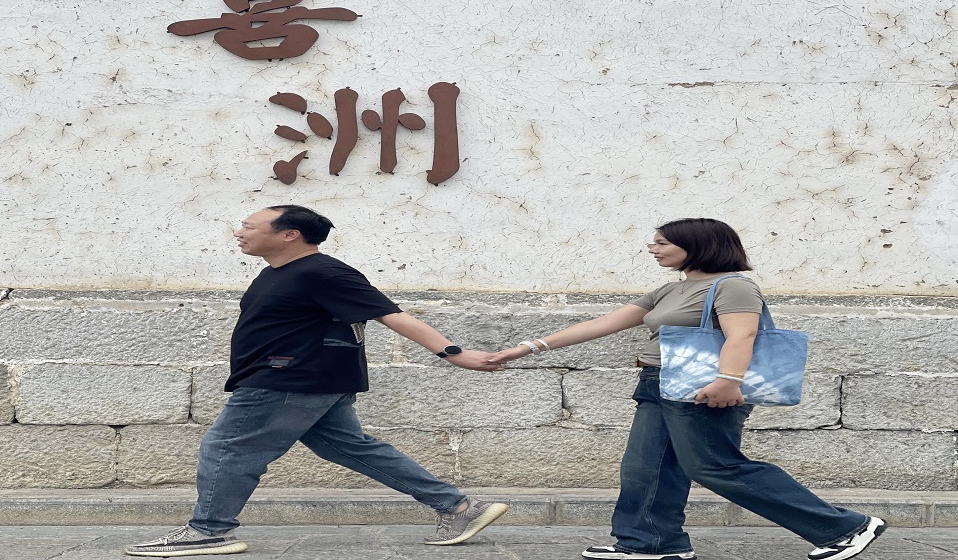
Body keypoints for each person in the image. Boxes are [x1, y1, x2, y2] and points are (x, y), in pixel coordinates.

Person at [488, 218, 886, 560]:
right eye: (654, 242)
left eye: (662, 243)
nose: (653, 249)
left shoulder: (734, 286)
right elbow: (601, 324)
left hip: (704, 388)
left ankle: (845, 528)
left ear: (697, 245)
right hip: (656, 382)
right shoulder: (669, 290)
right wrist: (524, 349)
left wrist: (728, 380)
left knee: (715, 466)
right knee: (646, 466)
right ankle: (651, 543)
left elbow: (743, 334)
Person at [126, 205, 509, 557]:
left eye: (249, 226)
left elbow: (390, 314)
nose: (238, 233)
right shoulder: (277, 272)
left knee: (228, 447)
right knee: (348, 447)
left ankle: (208, 531)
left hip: (288, 378)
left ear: (289, 234)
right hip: (307, 379)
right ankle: (458, 507)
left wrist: (453, 353)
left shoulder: (325, 272)